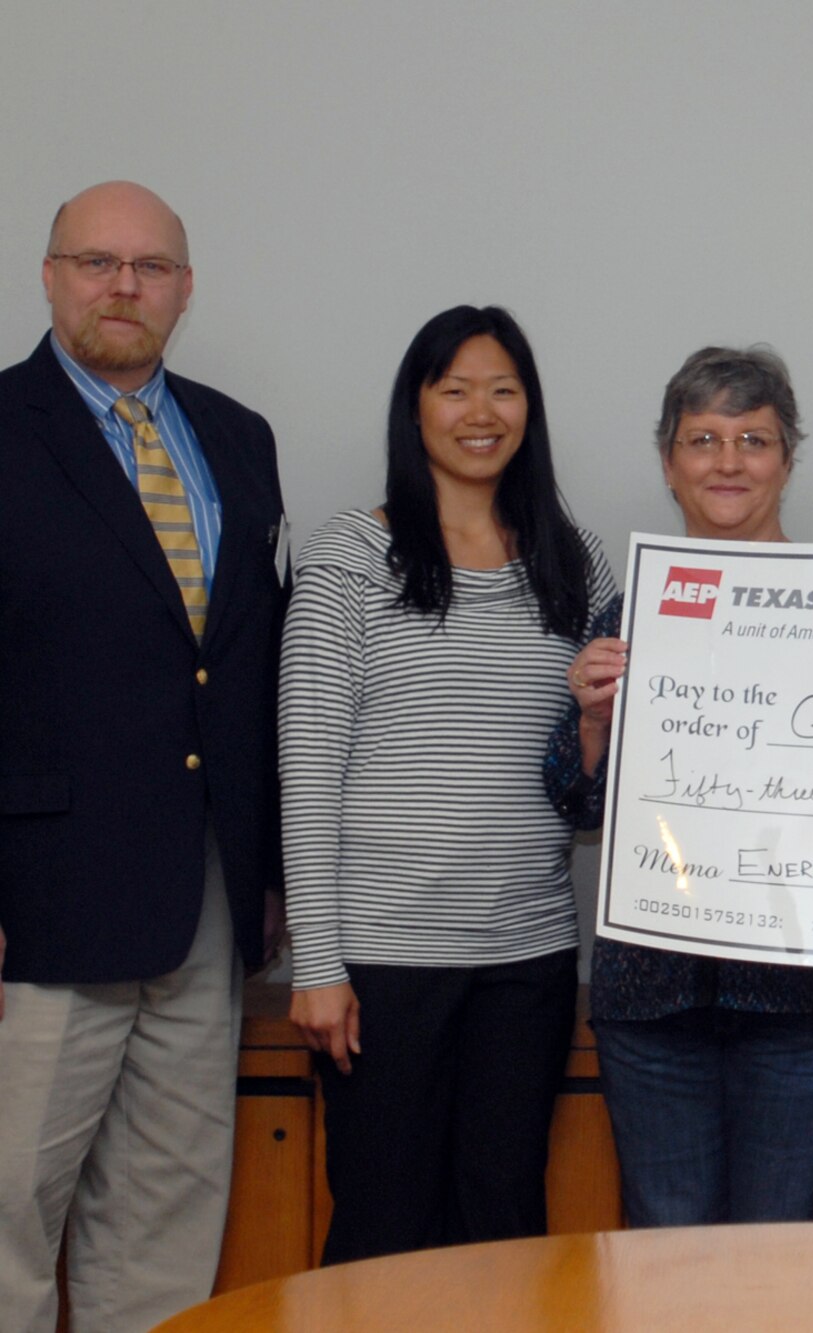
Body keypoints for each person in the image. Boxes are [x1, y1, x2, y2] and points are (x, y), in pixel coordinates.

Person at [0, 181, 288, 1332]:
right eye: (96, 262)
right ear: (49, 275)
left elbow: (244, 665)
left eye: (151, 267)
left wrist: (264, 868)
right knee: (11, 1214)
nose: (124, 286)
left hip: (205, 902)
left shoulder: (235, 435)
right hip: (42, 906)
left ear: (185, 288)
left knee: (165, 1228)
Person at [282, 305, 615, 1263]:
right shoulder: (352, 555)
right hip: (382, 967)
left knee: (505, 1228)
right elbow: (306, 763)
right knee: (386, 1233)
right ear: (415, 406)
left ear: (530, 409)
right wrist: (318, 962)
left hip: (529, 958)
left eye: (504, 389)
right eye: (455, 387)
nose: (482, 411)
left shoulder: (574, 560)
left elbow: (582, 777)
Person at [545, 345, 813, 1226]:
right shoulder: (633, 614)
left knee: (787, 1275)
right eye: (703, 438)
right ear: (669, 462)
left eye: (754, 439)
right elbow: (575, 804)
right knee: (667, 1275)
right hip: (656, 1006)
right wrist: (591, 720)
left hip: (807, 1001)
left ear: (787, 458)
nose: (728, 461)